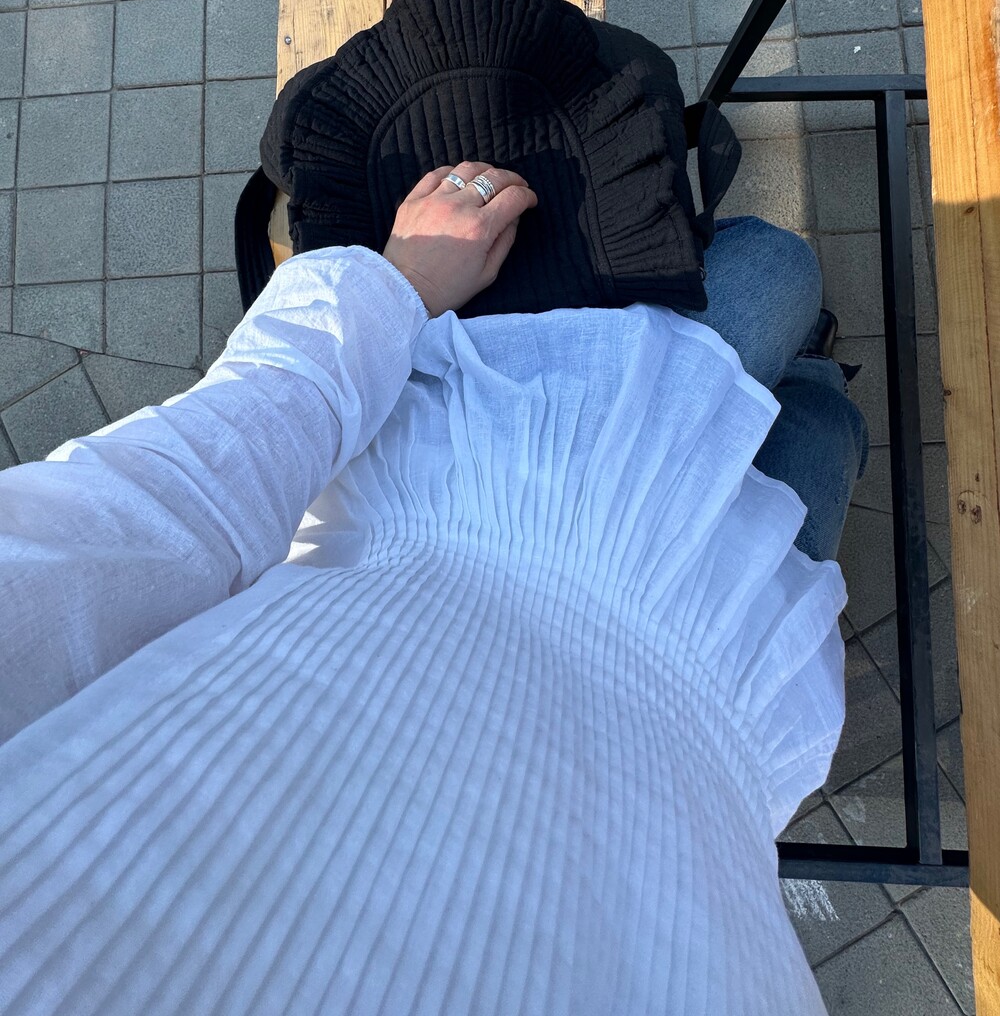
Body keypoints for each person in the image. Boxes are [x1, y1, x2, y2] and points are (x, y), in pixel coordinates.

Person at [0, 163, 866, 1014]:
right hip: (703, 732)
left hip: (488, 527)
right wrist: (392, 286)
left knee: (781, 295)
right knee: (812, 397)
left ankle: (810, 376)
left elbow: (165, 512)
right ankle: (814, 378)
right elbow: (167, 503)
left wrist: (400, 285)